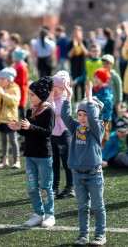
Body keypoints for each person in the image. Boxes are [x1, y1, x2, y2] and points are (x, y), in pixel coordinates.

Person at [61, 81, 106, 246]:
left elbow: (94, 118)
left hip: (94, 175)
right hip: (78, 175)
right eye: (79, 115)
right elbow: (65, 116)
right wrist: (69, 96)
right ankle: (83, 235)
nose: (81, 118)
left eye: (84, 114)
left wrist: (88, 98)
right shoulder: (76, 128)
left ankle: (100, 235)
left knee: (98, 207)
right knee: (82, 208)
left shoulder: (97, 128)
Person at [8, 76, 55, 228]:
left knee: (45, 186)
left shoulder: (49, 112)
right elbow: (27, 132)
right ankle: (38, 214)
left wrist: (30, 127)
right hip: (30, 155)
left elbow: (47, 132)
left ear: (41, 96)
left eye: (32, 95)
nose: (30, 97)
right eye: (29, 94)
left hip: (43, 155)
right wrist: (19, 128)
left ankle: (49, 214)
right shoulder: (30, 111)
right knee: (32, 185)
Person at [0, 67, 21, 169]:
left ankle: (16, 160)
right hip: (0, 119)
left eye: (3, 79)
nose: (0, 81)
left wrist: (3, 94)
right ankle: (4, 160)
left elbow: (14, 102)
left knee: (13, 140)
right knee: (3, 141)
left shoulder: (15, 89)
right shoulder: (0, 89)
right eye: (0, 78)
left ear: (9, 79)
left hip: (11, 119)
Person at [49, 70, 74, 199]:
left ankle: (70, 187)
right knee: (54, 162)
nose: (53, 89)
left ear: (63, 88)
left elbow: (57, 112)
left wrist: (51, 100)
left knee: (66, 162)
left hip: (63, 134)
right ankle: (55, 187)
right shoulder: (55, 97)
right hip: (53, 135)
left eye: (56, 87)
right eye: (53, 87)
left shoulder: (64, 98)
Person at [92, 68, 113, 147]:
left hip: (105, 117)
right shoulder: (95, 89)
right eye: (95, 77)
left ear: (102, 79)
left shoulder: (106, 90)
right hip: (96, 115)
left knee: (104, 133)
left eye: (97, 78)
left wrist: (96, 105)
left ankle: (105, 149)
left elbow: (107, 103)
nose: (95, 79)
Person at [68, 25, 89, 104]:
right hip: (74, 66)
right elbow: (69, 55)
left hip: (83, 65)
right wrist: (74, 46)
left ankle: (84, 101)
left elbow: (87, 53)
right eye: (75, 32)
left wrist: (81, 44)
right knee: (75, 84)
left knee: (83, 84)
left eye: (78, 32)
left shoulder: (84, 41)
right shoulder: (71, 43)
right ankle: (76, 102)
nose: (76, 34)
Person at [101, 54, 123, 130]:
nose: (105, 65)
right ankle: (104, 133)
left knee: (114, 118)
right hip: (105, 102)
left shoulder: (115, 76)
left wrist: (118, 103)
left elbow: (119, 90)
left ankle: (114, 132)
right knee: (104, 118)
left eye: (107, 64)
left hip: (113, 102)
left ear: (112, 64)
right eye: (103, 64)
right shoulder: (102, 74)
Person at [12, 48, 29, 120]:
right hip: (18, 88)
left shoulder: (22, 67)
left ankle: (25, 121)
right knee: (19, 106)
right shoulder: (18, 65)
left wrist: (12, 80)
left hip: (21, 89)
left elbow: (22, 80)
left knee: (21, 106)